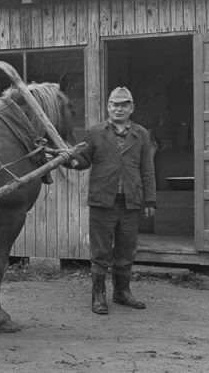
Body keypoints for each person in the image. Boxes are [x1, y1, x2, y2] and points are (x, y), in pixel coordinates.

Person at [73, 86, 157, 315]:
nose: (118, 109)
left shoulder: (141, 134)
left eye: (123, 105)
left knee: (126, 250)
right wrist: (67, 158)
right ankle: (98, 296)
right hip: (103, 201)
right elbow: (82, 161)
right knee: (100, 252)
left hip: (130, 202)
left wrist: (150, 200)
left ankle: (122, 292)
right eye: (114, 104)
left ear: (131, 108)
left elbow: (147, 169)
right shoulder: (94, 133)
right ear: (108, 107)